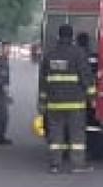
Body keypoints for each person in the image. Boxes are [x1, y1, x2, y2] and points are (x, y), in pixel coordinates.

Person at [39, 24, 93, 173]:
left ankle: (55, 165)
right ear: (72, 37)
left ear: (59, 36)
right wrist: (92, 96)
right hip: (75, 105)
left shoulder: (49, 55)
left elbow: (43, 81)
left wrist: (42, 101)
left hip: (54, 104)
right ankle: (77, 164)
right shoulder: (78, 53)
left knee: (55, 135)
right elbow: (86, 77)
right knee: (76, 136)